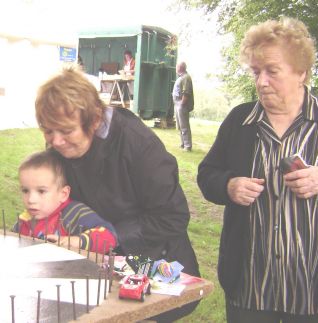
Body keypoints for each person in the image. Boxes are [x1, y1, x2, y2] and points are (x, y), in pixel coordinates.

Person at [197, 17, 318, 323]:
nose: (261, 81)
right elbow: (207, 174)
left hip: (317, 292)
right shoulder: (240, 121)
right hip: (251, 289)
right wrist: (229, 185)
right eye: (256, 71)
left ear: (301, 72)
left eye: (272, 71)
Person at [35, 66, 200, 322]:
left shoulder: (139, 146)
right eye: (48, 131)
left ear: (94, 119)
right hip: (98, 263)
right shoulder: (61, 143)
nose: (55, 141)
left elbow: (173, 217)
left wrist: (104, 237)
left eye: (66, 131)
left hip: (156, 261)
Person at [14, 150, 117, 253]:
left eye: (41, 191)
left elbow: (110, 236)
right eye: (25, 190)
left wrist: (77, 241)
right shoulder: (24, 220)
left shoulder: (73, 213)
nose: (31, 200)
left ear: (63, 194)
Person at [172, 61, 194, 152]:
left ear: (180, 68)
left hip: (181, 105)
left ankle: (187, 146)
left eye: (177, 67)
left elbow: (186, 92)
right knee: (180, 126)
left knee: (184, 126)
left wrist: (182, 104)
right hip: (177, 104)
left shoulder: (186, 77)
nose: (176, 68)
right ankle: (183, 144)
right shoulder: (181, 77)